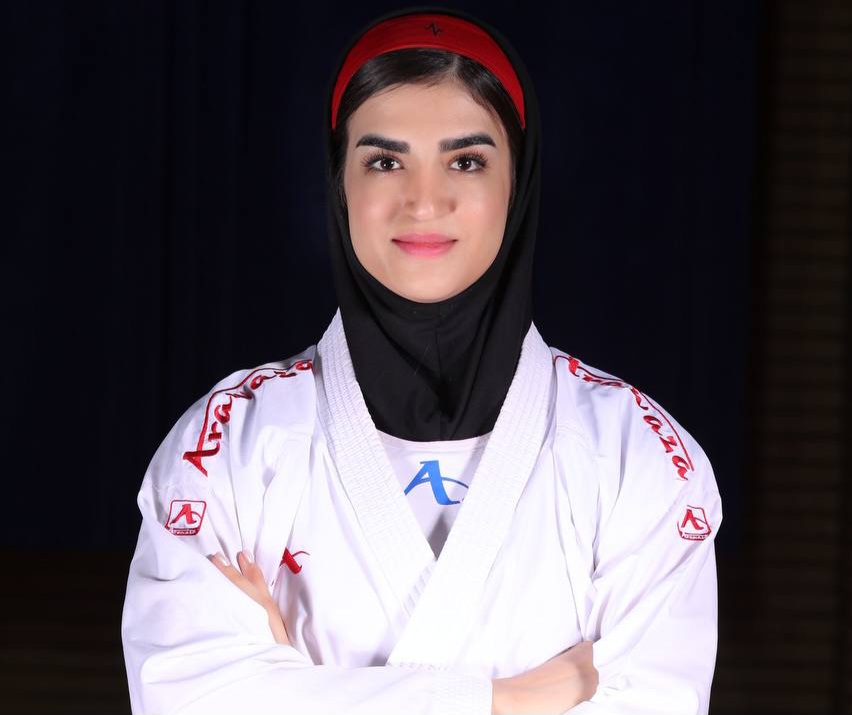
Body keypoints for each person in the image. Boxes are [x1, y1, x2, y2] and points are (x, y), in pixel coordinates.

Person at [121, 7, 722, 714]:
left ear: (518, 183)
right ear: (338, 183)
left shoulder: (635, 452)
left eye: (466, 161)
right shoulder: (228, 444)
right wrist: (520, 695)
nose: (424, 202)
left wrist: (293, 690)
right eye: (385, 161)